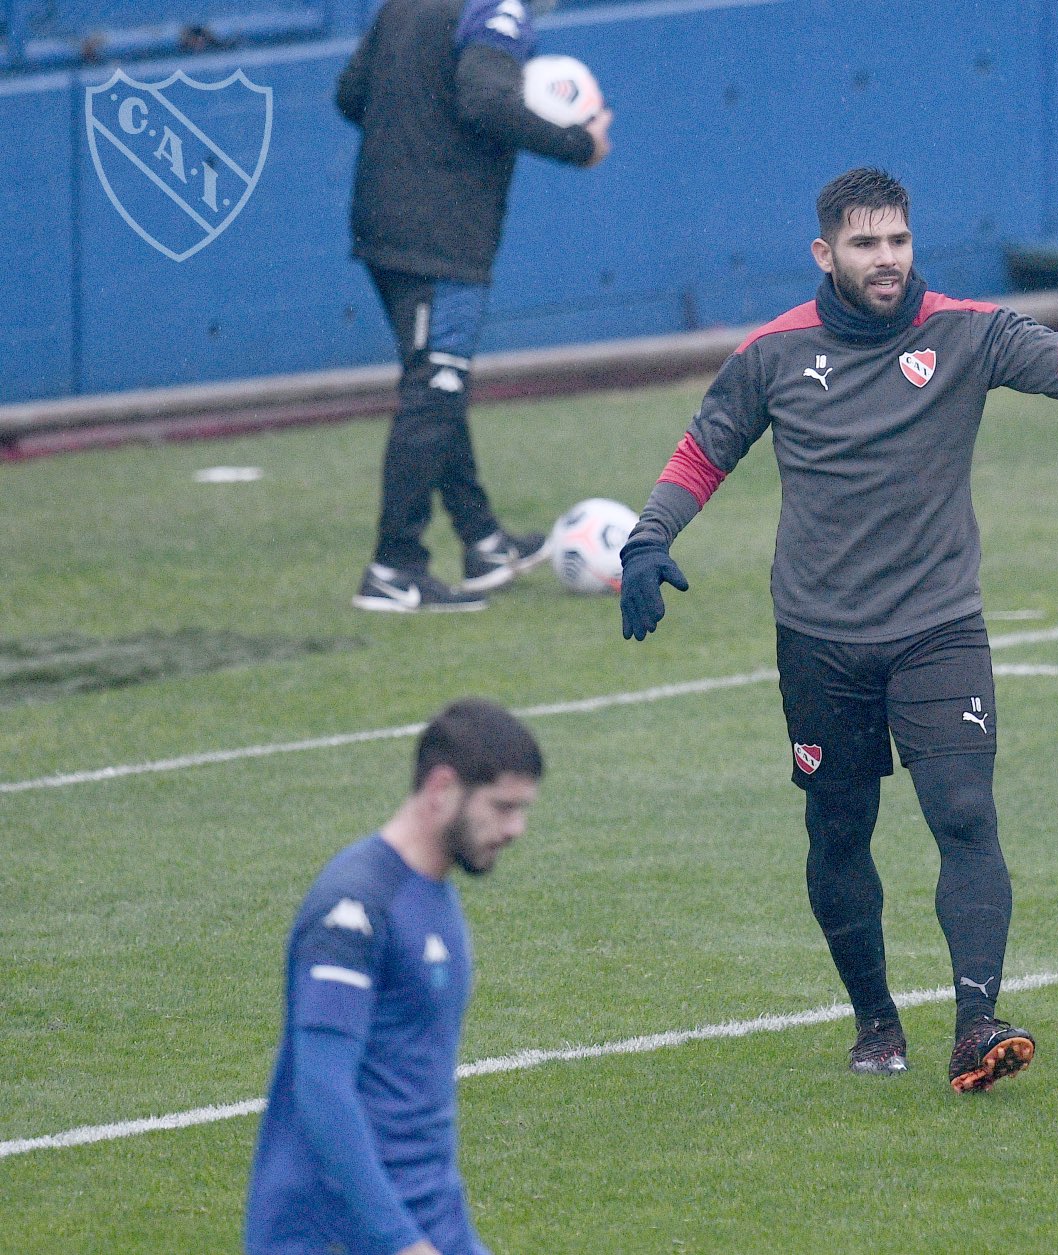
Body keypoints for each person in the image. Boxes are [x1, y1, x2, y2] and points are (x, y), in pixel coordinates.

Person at [618, 167, 1058, 1092]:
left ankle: (976, 1022)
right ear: (824, 253)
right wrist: (647, 539)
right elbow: (704, 449)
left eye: (900, 241)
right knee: (839, 830)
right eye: (867, 244)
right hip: (820, 639)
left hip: (937, 627)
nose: (887, 260)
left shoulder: (969, 332)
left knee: (963, 813)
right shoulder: (772, 355)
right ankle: (875, 1020)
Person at [337, 0, 613, 612]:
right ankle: (394, 568)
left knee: (436, 384)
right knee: (435, 387)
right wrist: (577, 143)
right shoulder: (495, 9)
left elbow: (352, 95)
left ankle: (482, 540)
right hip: (441, 236)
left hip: (382, 222)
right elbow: (483, 97)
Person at [245, 699, 543, 1253]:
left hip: (429, 1220)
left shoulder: (435, 897)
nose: (516, 829)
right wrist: (399, 1240)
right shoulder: (354, 907)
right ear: (442, 789)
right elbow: (322, 1087)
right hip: (334, 1235)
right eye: (502, 807)